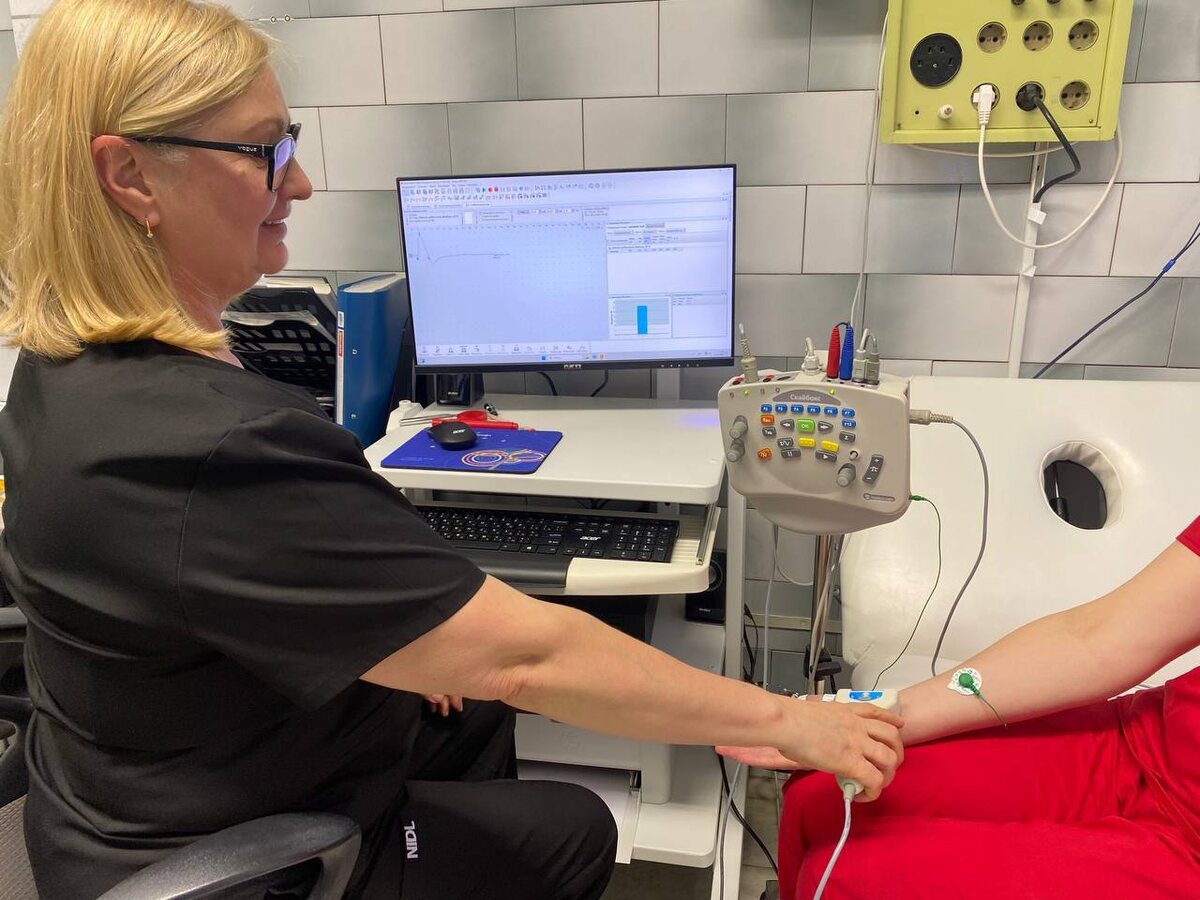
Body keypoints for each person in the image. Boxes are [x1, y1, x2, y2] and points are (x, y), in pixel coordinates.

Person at [0, 3, 905, 898]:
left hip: (125, 788)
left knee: (467, 710)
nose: (299, 182)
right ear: (131, 176)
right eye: (263, 149)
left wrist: (418, 638)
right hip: (224, 852)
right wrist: (788, 720)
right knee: (570, 823)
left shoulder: (62, 369)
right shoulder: (214, 444)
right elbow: (527, 659)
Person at [721, 515, 1200, 899]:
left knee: (850, 881)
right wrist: (874, 718)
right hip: (1140, 742)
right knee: (821, 792)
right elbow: (1098, 637)